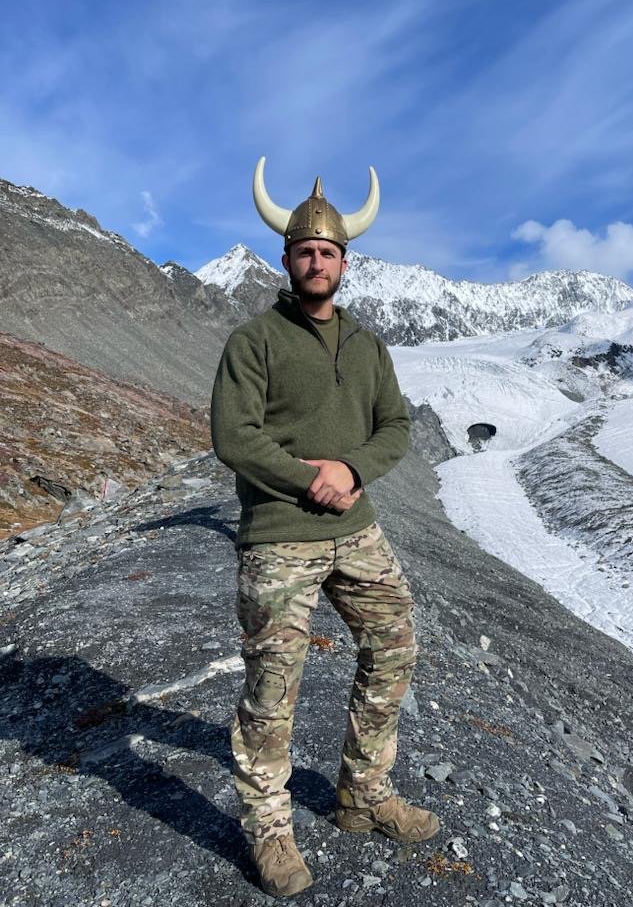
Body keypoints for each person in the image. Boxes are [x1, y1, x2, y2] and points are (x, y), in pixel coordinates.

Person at [210, 157, 440, 898]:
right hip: (279, 533)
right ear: (286, 260)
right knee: (274, 683)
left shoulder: (368, 344)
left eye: (329, 251)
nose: (317, 260)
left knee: (395, 645)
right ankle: (270, 829)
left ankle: (362, 795)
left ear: (347, 262)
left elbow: (395, 427)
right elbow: (234, 437)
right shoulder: (255, 341)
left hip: (358, 528)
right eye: (305, 250)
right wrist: (311, 478)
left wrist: (351, 471)